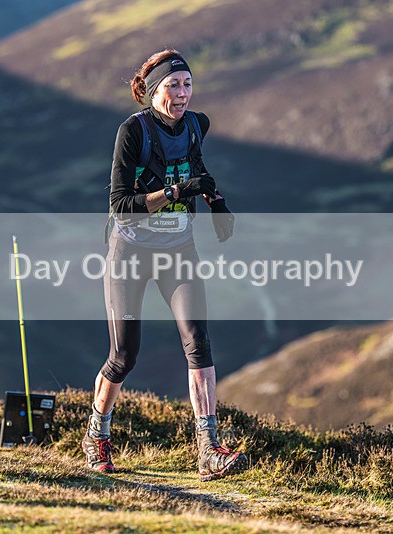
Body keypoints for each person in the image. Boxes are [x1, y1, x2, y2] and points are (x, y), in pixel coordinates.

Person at [82, 50, 247, 481]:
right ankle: (96, 434)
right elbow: (120, 206)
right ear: (154, 90)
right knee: (124, 355)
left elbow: (194, 164)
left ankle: (208, 448)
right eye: (173, 86)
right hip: (131, 251)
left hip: (179, 248)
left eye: (187, 84)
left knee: (199, 341)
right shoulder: (132, 132)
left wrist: (217, 203)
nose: (182, 93)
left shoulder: (196, 124)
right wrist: (177, 192)